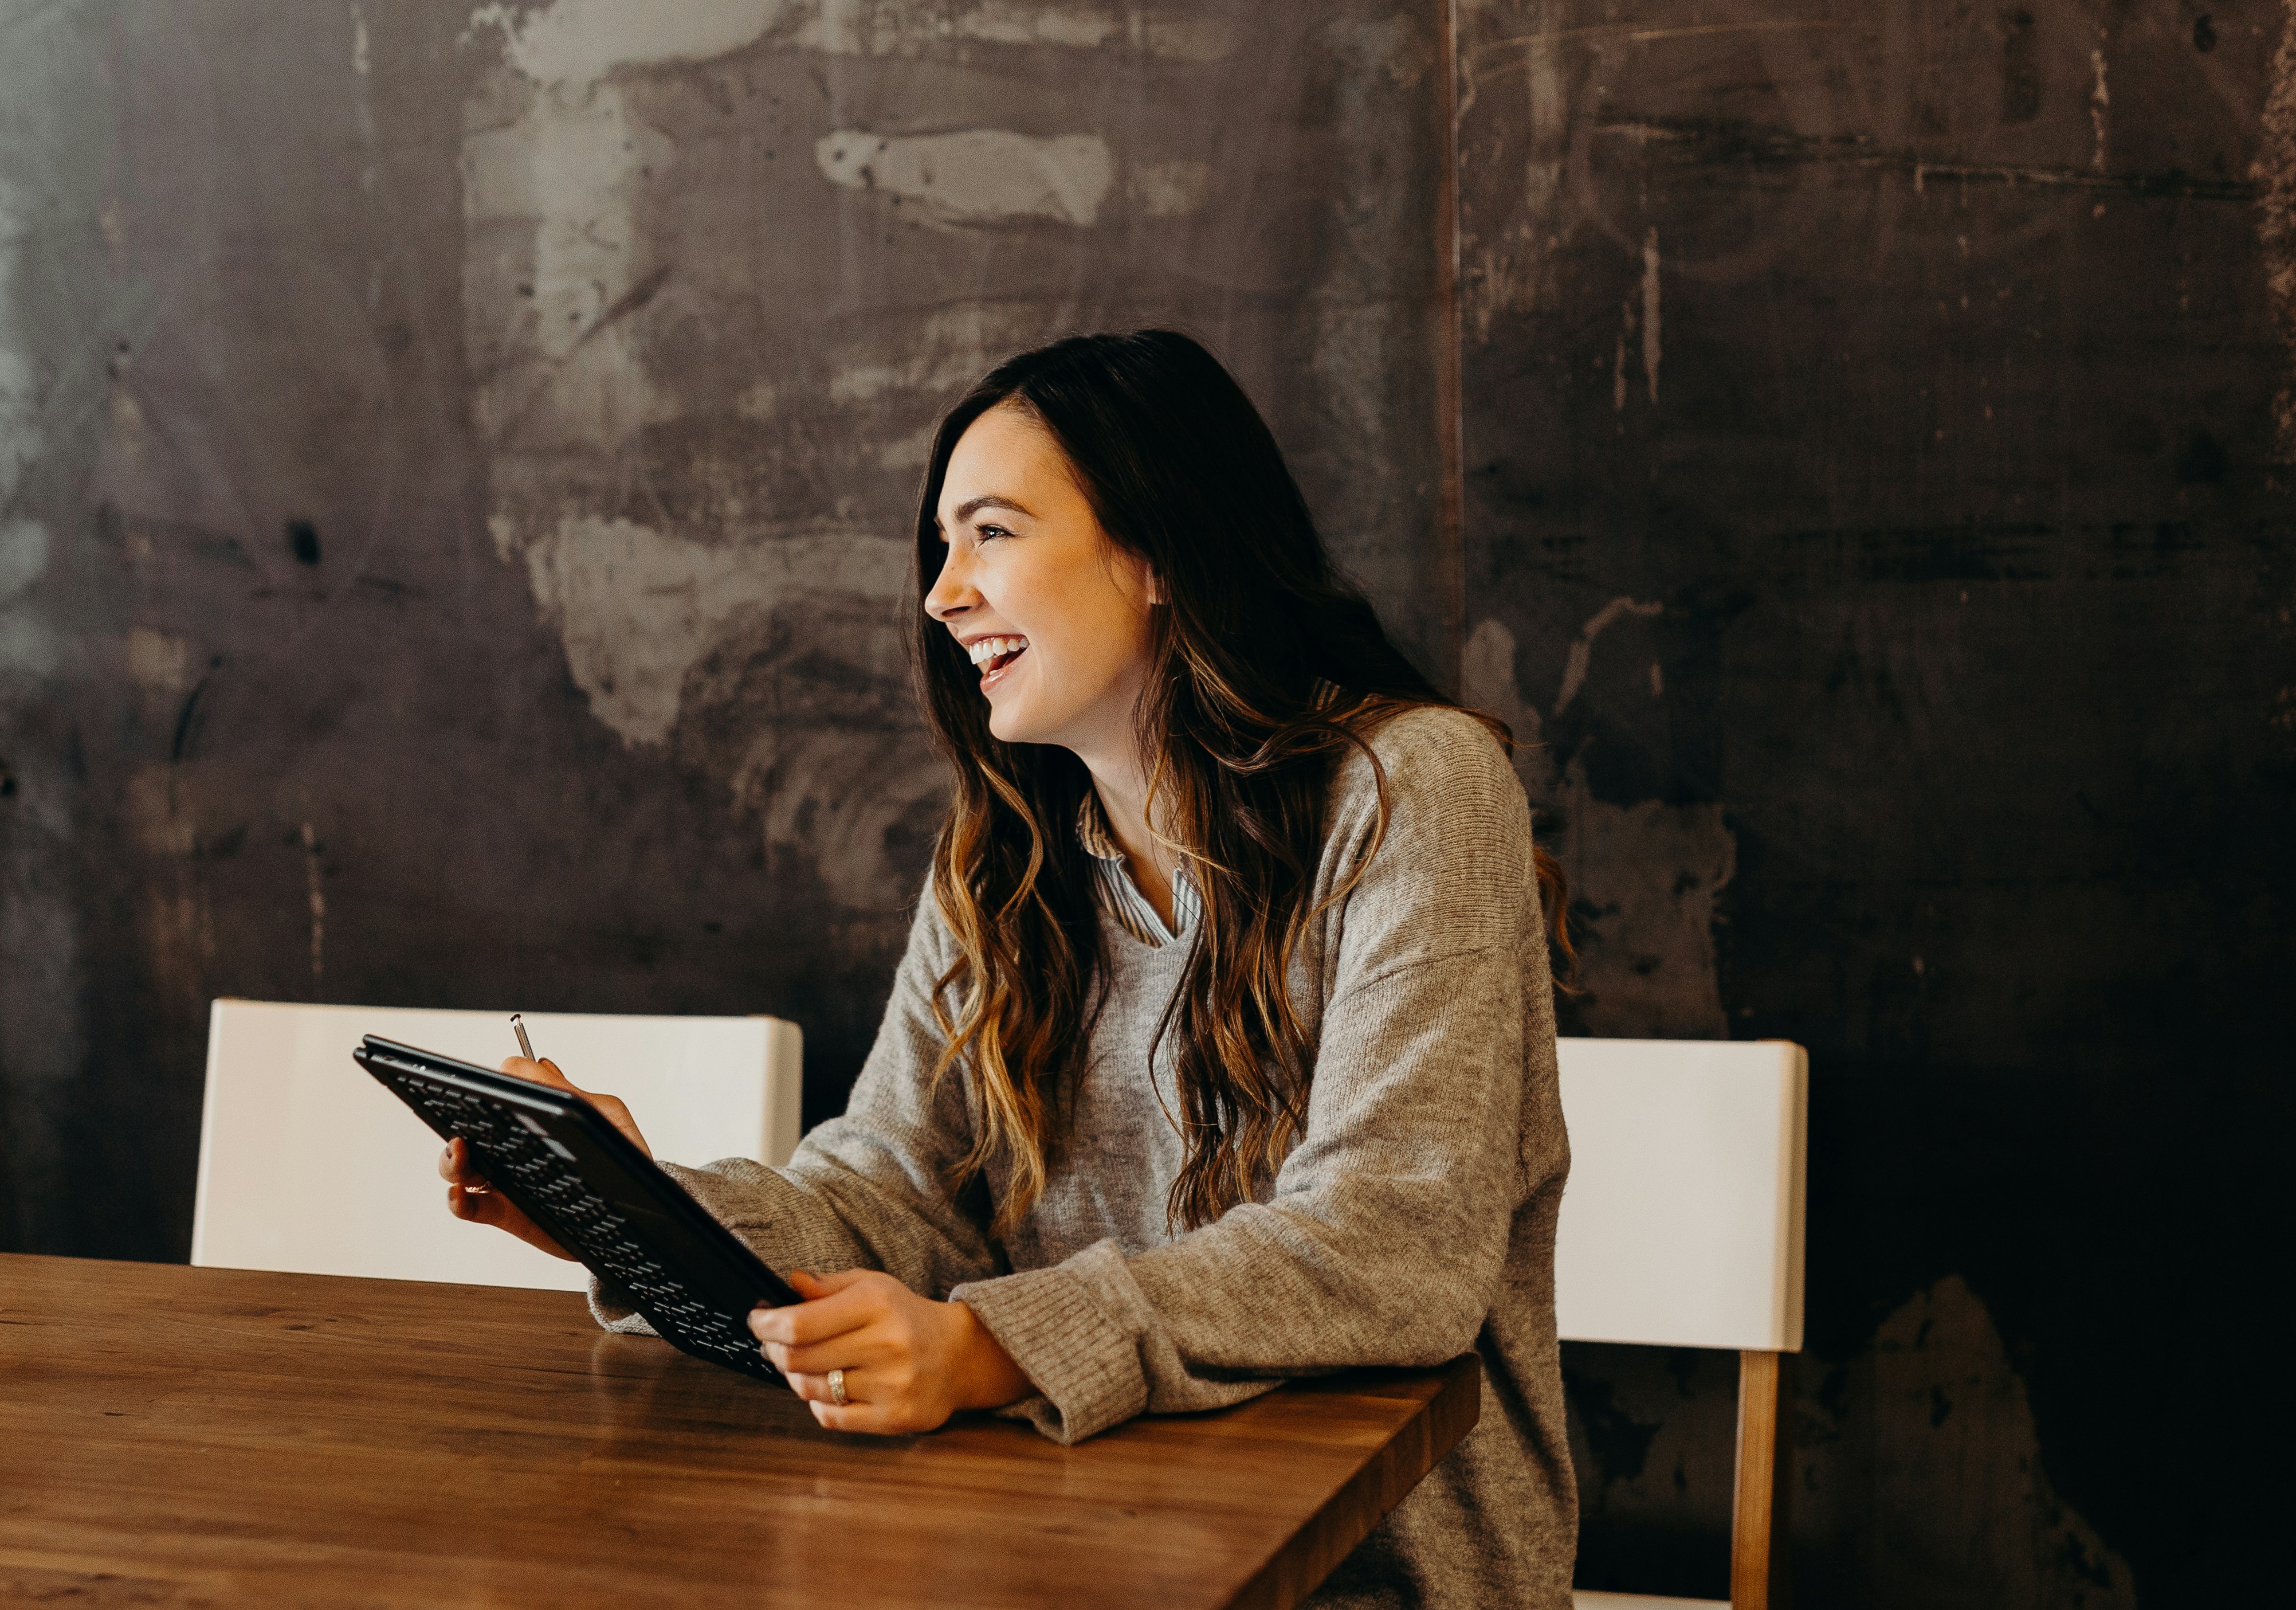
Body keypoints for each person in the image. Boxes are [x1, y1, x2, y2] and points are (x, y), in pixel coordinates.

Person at [439, 330, 1578, 1608]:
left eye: (989, 532)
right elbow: (891, 1200)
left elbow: (1390, 1246)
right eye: (940, 546)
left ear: (1155, 552)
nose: (941, 593)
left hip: (1366, 1576)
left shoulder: (1412, 789)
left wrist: (988, 1348)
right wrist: (638, 1213)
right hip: (1061, 1545)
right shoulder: (1003, 860)